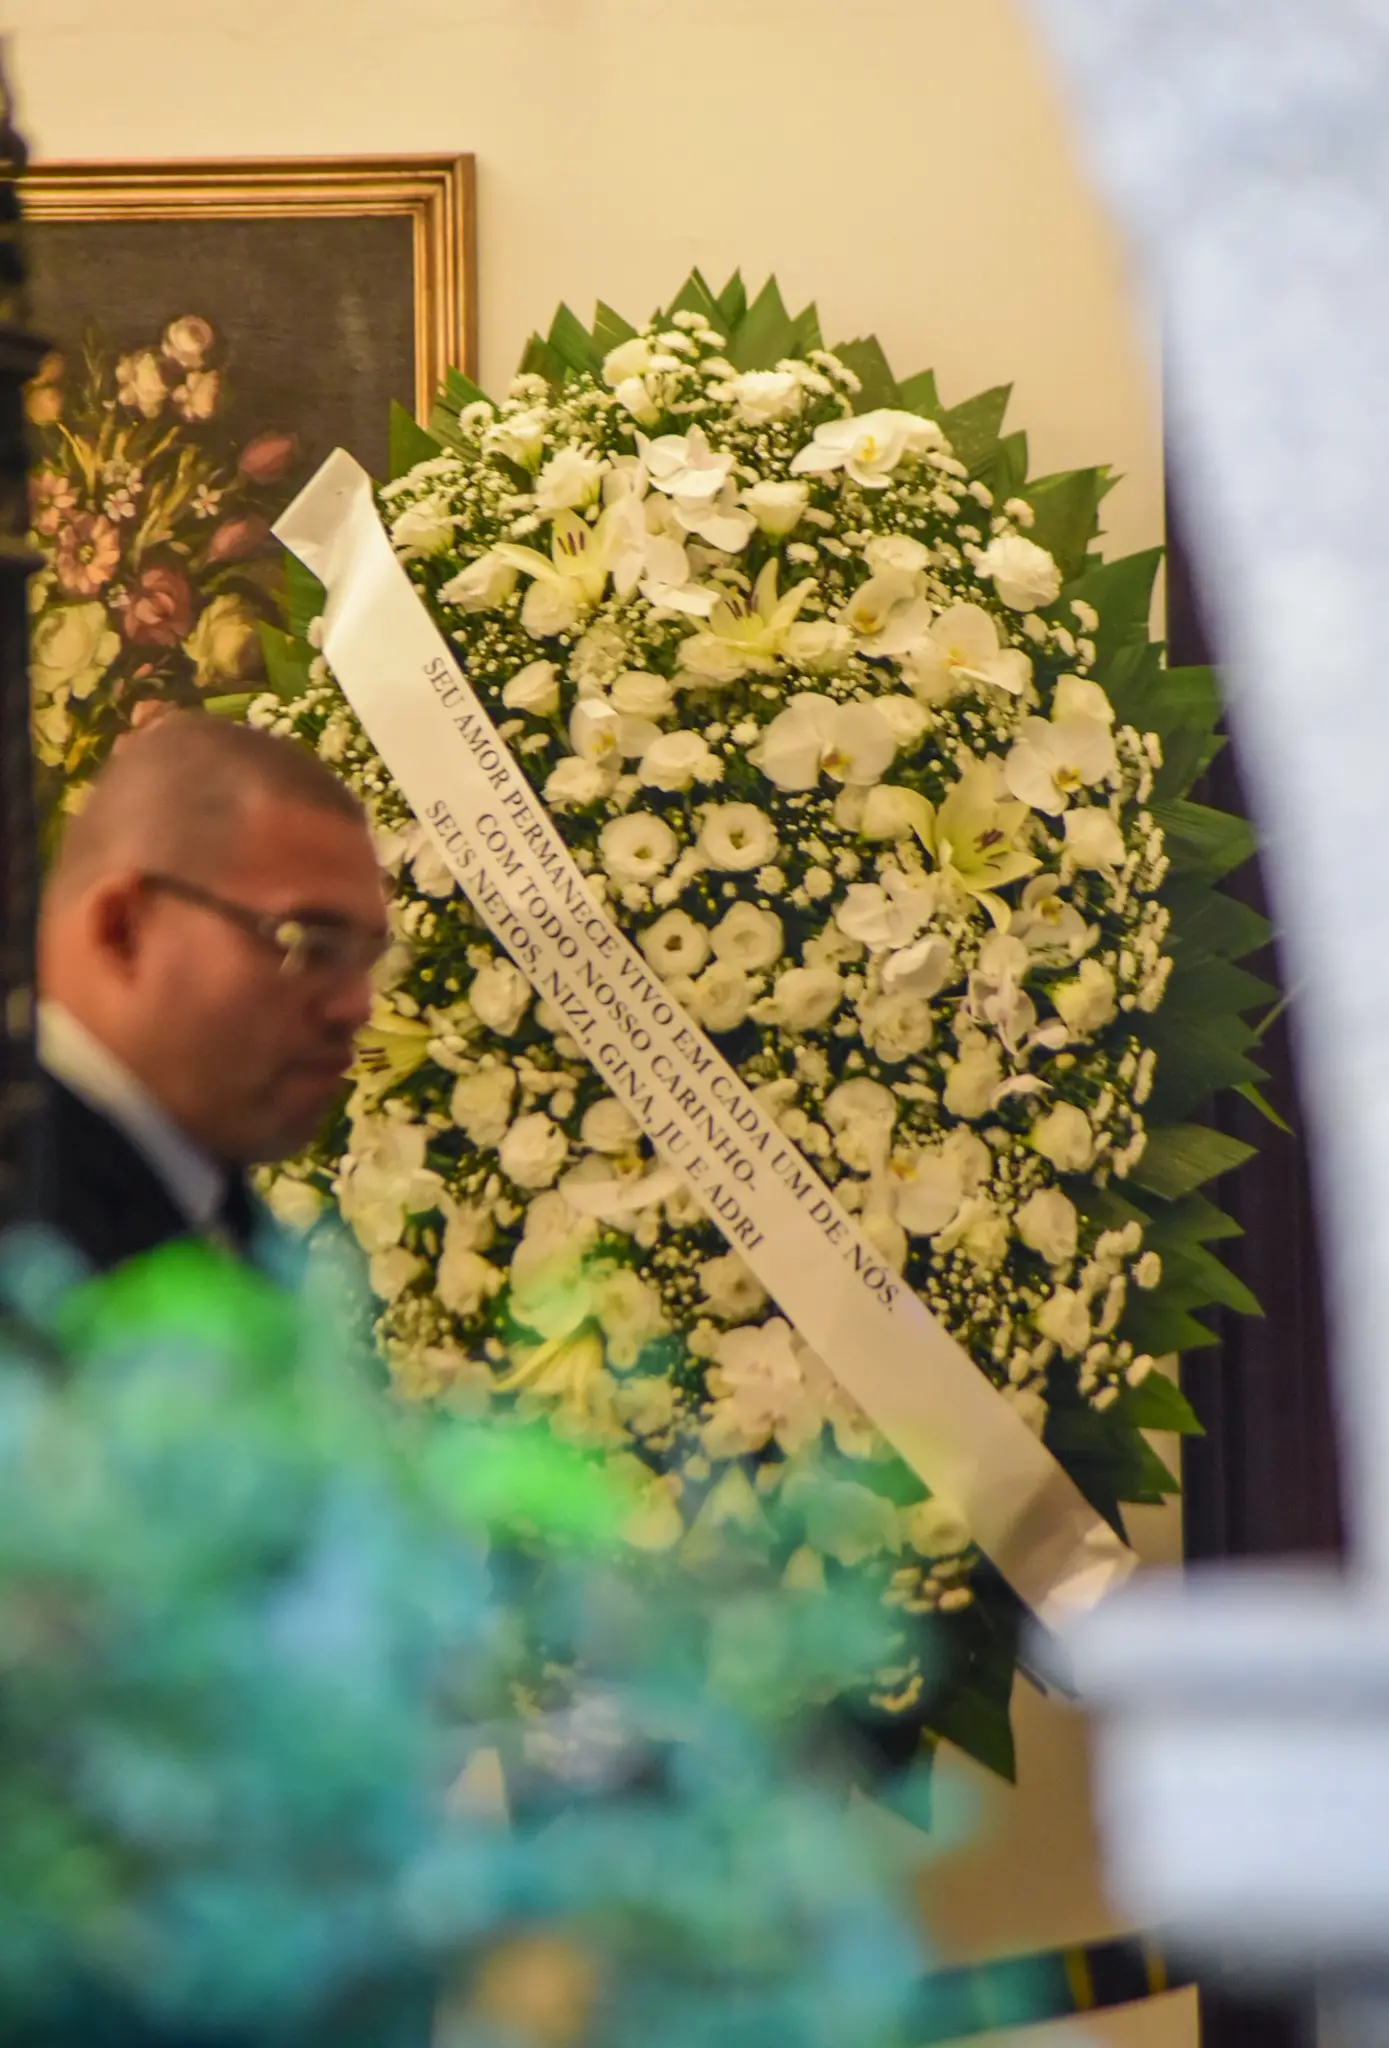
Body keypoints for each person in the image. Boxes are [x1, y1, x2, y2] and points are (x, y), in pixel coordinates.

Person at [34, 712, 389, 1274]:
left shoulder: (211, 1205)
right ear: (123, 929)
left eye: (368, 958)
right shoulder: (29, 1219)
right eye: (309, 943)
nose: (357, 1006)